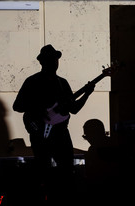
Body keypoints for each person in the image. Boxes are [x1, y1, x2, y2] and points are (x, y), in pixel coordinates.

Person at [13, 44, 95, 184]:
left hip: (61, 134)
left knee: (67, 172)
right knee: (43, 173)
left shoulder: (62, 83)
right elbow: (18, 106)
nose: (54, 62)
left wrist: (87, 94)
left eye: (56, 59)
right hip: (40, 133)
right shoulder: (32, 81)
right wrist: (38, 109)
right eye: (50, 59)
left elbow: (73, 109)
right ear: (42, 62)